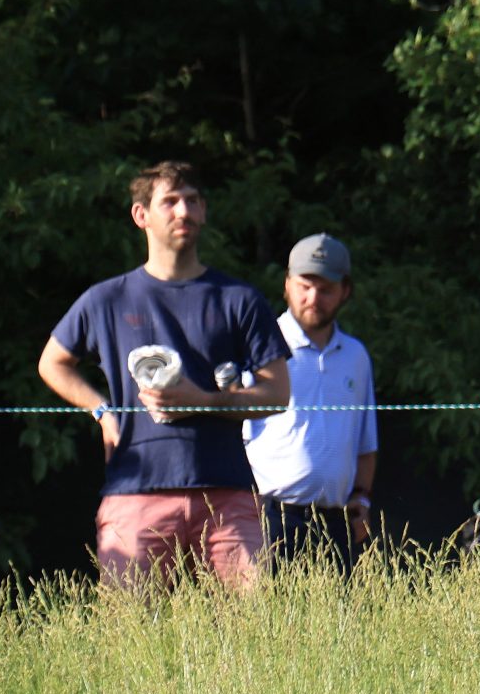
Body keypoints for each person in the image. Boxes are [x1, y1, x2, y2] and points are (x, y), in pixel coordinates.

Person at [37, 161, 291, 593]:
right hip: (136, 491)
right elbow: (51, 363)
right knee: (132, 643)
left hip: (227, 491)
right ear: (141, 215)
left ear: (205, 212)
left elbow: (278, 394)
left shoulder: (239, 299)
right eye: (170, 201)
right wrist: (102, 412)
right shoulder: (106, 299)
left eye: (192, 201)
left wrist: (205, 400)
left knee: (251, 640)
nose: (183, 212)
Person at [242, 233, 379, 571]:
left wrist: (361, 496)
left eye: (326, 289)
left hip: (337, 523)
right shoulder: (260, 346)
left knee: (337, 624)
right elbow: (233, 429)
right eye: (305, 285)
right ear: (287, 285)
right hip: (268, 517)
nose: (313, 297)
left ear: (345, 291)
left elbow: (365, 441)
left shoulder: (355, 356)